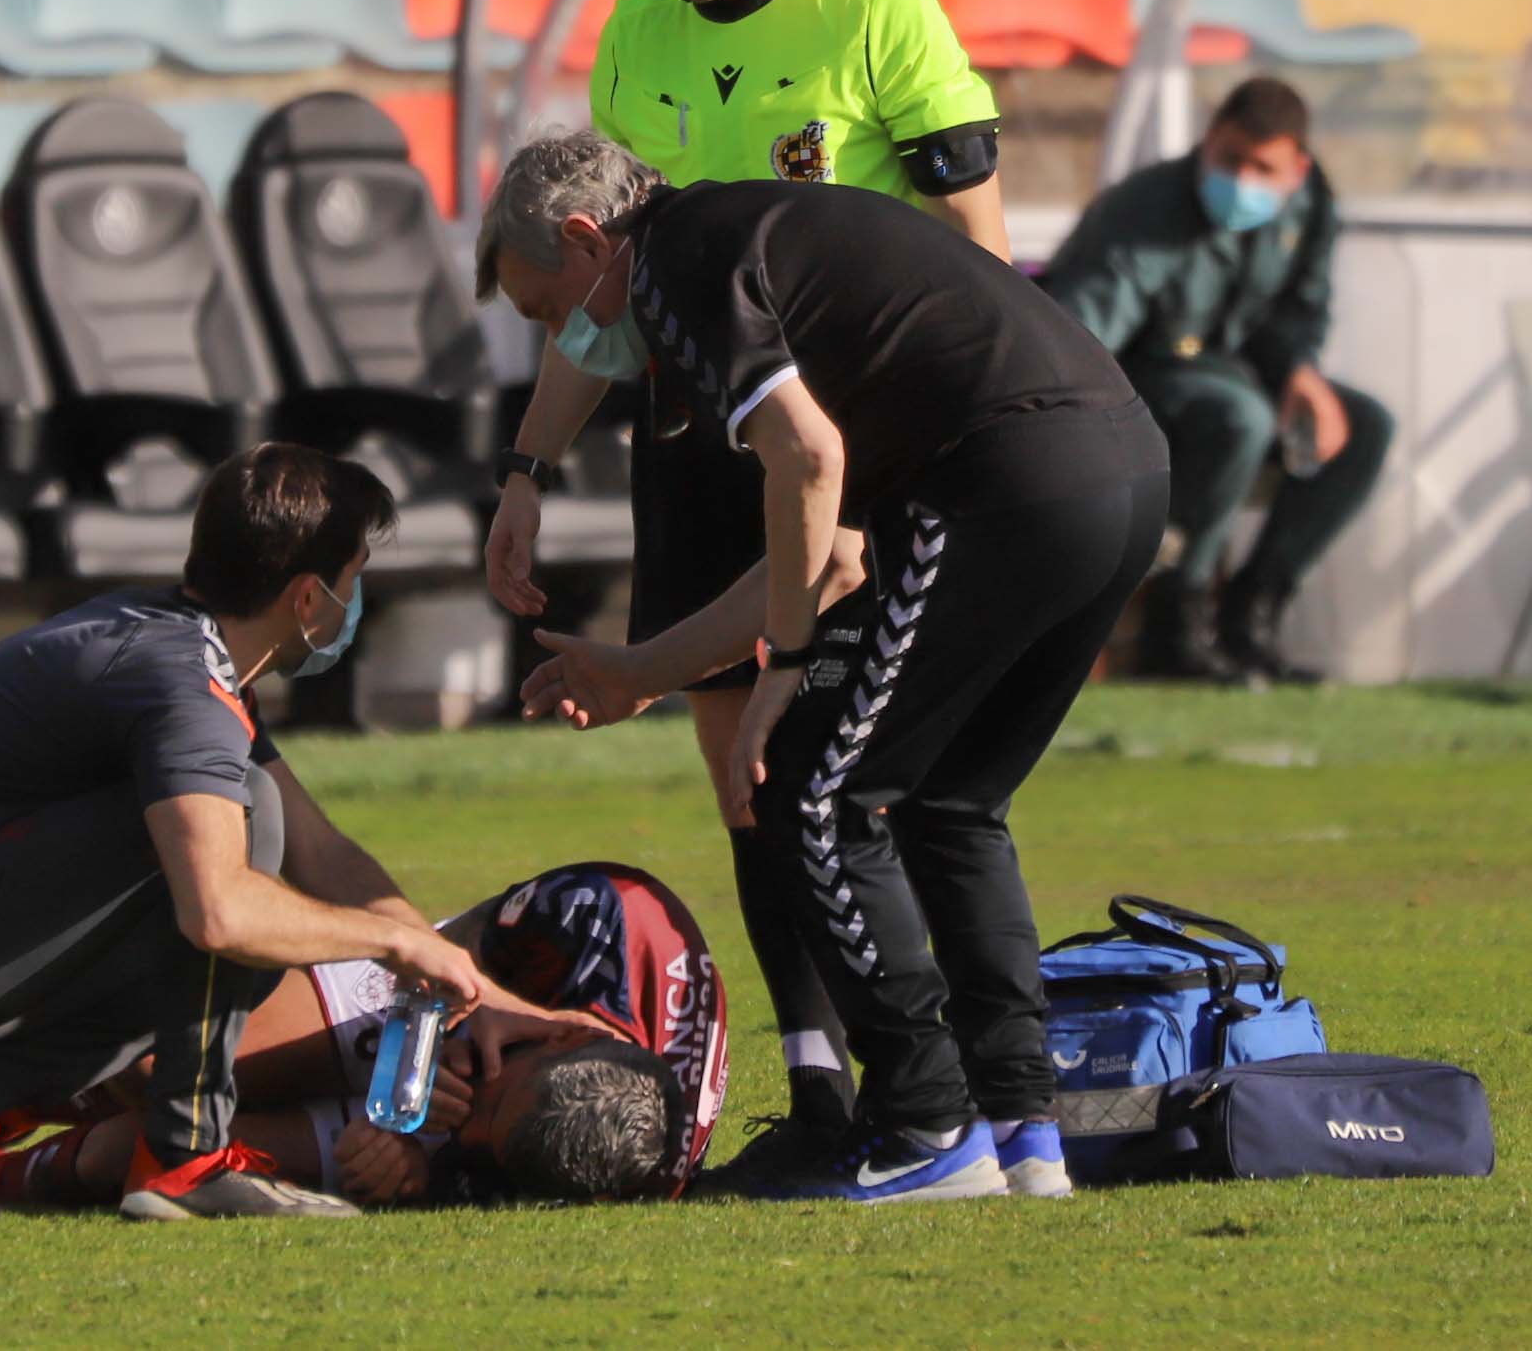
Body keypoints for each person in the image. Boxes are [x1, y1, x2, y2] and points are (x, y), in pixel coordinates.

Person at [481, 131, 1170, 1205]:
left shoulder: (675, 266)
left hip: (1006, 480)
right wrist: (644, 667)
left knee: (813, 792)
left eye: (549, 308)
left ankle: (924, 1123)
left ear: (585, 239)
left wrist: (786, 667)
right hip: (1124, 468)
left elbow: (808, 462)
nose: (566, 335)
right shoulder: (757, 235)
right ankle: (1023, 1132)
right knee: (950, 802)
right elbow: (828, 543)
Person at [481, 0, 1009, 1166]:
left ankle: (937, 1086)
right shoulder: (633, 39)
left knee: (851, 776)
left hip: (853, 453)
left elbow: (982, 258)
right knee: (744, 782)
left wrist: (953, 444)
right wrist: (527, 466)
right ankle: (820, 1091)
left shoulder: (873, 6)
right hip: (697, 444)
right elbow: (605, 293)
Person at [0, 443, 593, 1223]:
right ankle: (186, 1159)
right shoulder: (183, 688)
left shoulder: (186, 651)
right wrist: (390, 944)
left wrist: (484, 996)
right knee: (237, 846)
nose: (354, 602)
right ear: (308, 598)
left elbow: (322, 853)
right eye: (353, 579)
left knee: (238, 852)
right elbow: (221, 914)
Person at [0, 861, 726, 1211]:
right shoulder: (606, 919)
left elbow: (479, 1157)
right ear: (563, 1038)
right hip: (437, 993)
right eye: (489, 1088)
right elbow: (436, 948)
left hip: (454, 1107)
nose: (464, 1103)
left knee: (145, 1149)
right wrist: (472, 1012)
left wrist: (416, 1161)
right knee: (174, 1066)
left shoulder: (597, 1169)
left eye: (476, 1126)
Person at [1041, 77, 1392, 687]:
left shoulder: (1311, 205)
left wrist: (1302, 372)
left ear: (1297, 170)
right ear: (1208, 140)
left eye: (1263, 168)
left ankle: (1253, 616)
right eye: (1231, 159)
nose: (1243, 180)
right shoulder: (1143, 209)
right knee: (1240, 416)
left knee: (1362, 427)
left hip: (1239, 380)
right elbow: (1085, 337)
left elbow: (1300, 309)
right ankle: (1177, 623)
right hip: (1143, 384)